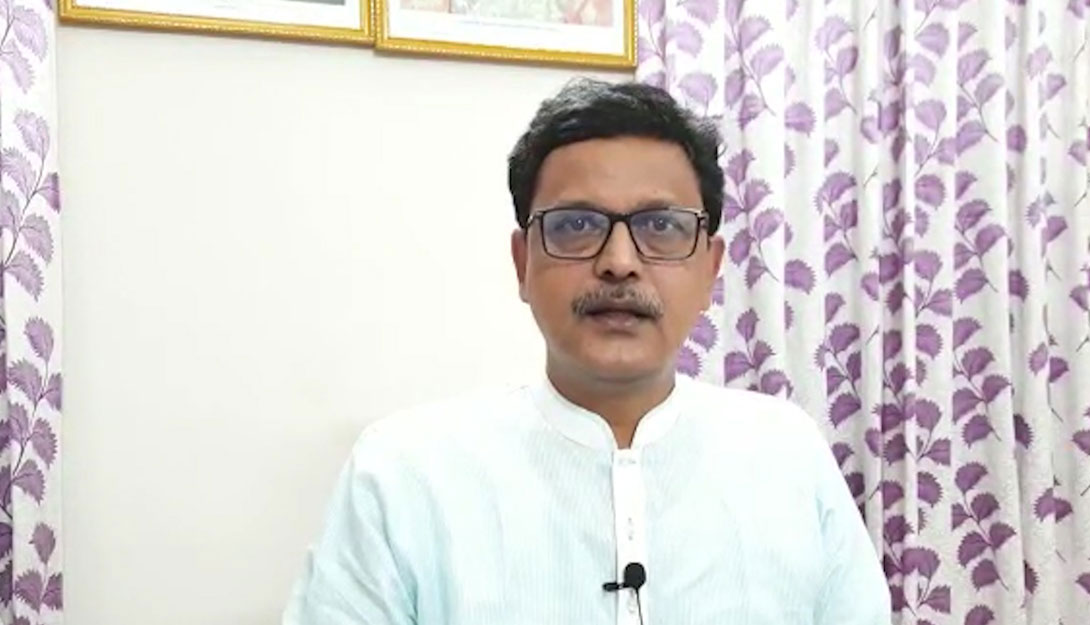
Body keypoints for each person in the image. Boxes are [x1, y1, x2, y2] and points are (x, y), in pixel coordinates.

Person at [282, 78, 890, 624]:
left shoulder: (788, 456)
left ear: (710, 269)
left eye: (661, 226)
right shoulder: (404, 474)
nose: (619, 262)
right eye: (576, 225)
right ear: (523, 263)